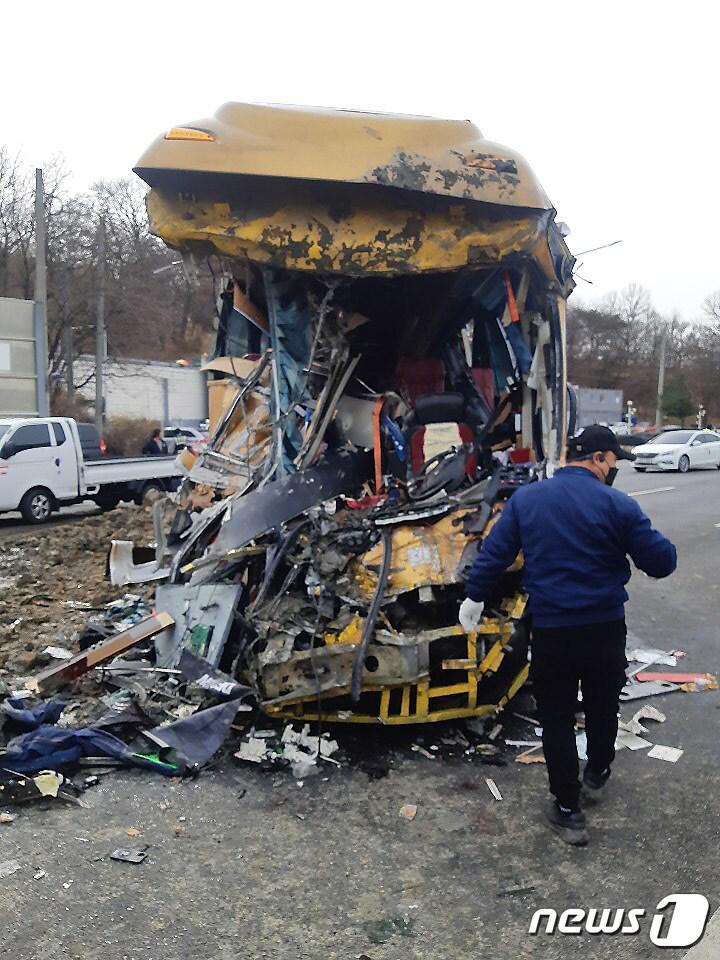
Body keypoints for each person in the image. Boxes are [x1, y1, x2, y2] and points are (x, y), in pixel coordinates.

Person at [459, 425, 677, 846]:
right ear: (597, 458)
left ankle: (567, 810)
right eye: (613, 461)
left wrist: (474, 598)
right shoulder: (618, 504)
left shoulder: (527, 500)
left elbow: (495, 555)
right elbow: (661, 562)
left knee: (556, 716)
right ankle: (597, 772)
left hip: (552, 630)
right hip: (604, 628)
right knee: (602, 705)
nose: (613, 469)